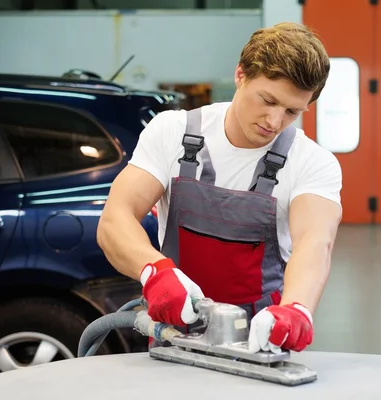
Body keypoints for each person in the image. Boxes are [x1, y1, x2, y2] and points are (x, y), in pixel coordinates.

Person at [96, 21, 343, 354]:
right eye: (267, 100)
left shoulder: (312, 162)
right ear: (240, 75)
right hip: (175, 334)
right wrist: (155, 272)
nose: (274, 121)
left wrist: (296, 309)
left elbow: (315, 243)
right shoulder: (173, 132)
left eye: (291, 111)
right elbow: (116, 218)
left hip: (261, 343)